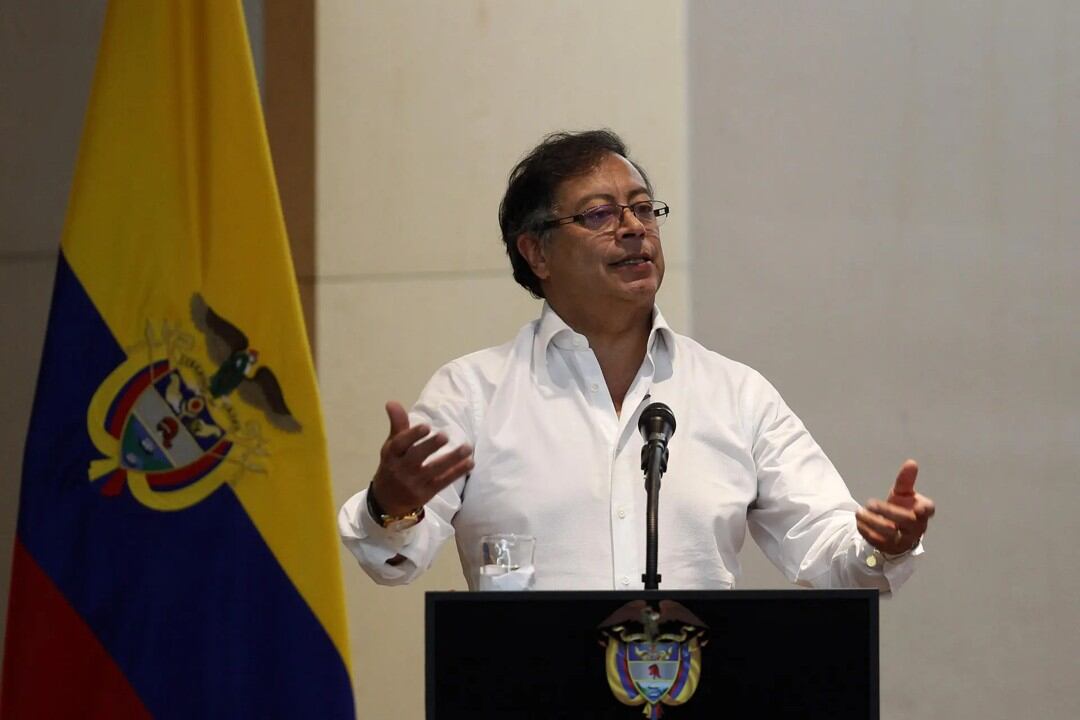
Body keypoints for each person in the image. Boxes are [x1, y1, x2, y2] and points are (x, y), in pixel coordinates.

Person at [338, 130, 935, 591]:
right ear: (536, 251)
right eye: (598, 214)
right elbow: (392, 563)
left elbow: (834, 558)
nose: (633, 230)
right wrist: (390, 504)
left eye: (644, 209)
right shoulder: (473, 393)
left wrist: (884, 543)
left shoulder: (735, 395)